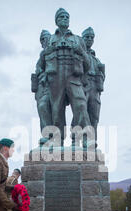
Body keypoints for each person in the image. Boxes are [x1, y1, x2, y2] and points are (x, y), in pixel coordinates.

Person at [37, 8, 92, 146]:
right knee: (56, 110)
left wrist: (80, 51)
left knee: (81, 106)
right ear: (56, 21)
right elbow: (42, 64)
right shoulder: (50, 40)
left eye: (67, 17)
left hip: (74, 77)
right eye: (61, 17)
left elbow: (88, 64)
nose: (65, 19)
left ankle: (83, 137)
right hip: (55, 78)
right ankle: (56, 140)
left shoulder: (78, 40)